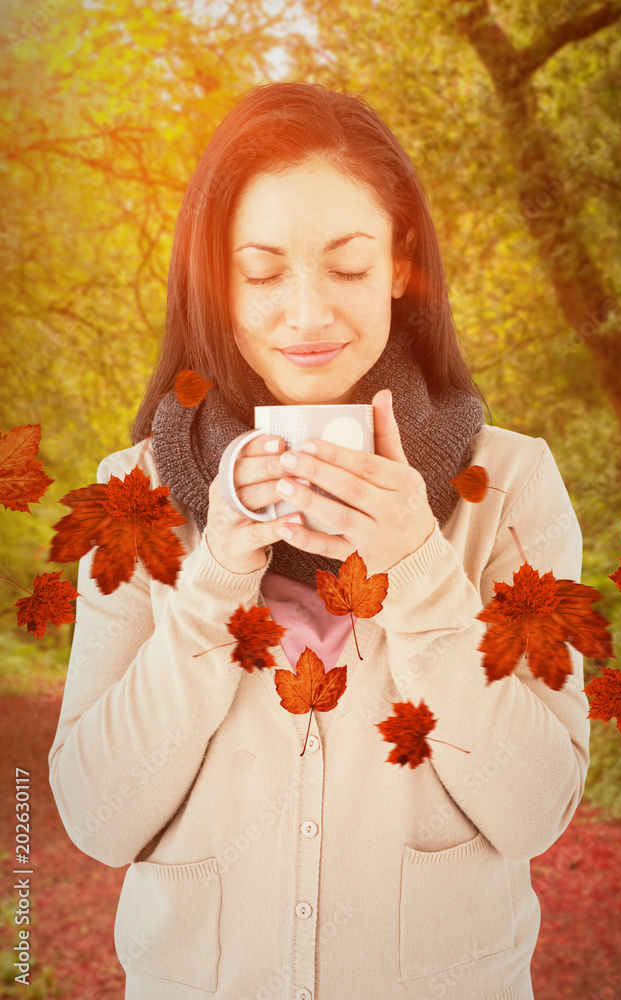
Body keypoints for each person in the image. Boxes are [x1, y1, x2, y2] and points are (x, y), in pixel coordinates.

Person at [49, 81, 590, 1000]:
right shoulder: (132, 494)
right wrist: (215, 572)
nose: (305, 317)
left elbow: (537, 808)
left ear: (400, 262)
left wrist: (418, 569)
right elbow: (98, 816)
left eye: (345, 267)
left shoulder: (507, 487)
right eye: (261, 273)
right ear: (212, 279)